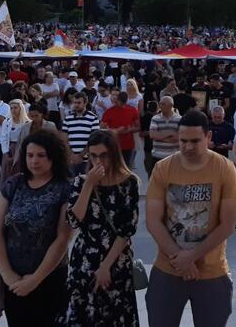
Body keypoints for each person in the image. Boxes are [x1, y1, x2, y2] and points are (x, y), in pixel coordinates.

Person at [146, 109, 236, 327]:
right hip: (168, 269)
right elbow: (153, 221)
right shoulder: (163, 168)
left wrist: (191, 256)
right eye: (183, 141)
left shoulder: (225, 169)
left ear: (208, 137)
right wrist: (180, 258)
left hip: (212, 273)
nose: (188, 147)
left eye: (195, 141)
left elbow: (228, 225)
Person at [0, 129, 72, 326]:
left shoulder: (65, 188)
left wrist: (35, 279)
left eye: (41, 155)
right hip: (14, 280)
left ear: (53, 156)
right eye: (30, 155)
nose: (34, 161)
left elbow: (63, 238)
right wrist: (8, 275)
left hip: (50, 278)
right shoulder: (13, 184)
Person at [66, 130, 141, 326]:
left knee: (116, 316)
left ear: (114, 154)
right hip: (84, 259)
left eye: (103, 155)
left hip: (116, 260)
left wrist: (105, 267)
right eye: (93, 156)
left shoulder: (128, 183)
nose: (98, 161)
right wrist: (89, 185)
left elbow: (127, 229)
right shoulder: (81, 182)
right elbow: (73, 221)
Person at [62, 92, 100, 173]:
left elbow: (94, 140)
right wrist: (72, 155)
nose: (76, 105)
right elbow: (64, 140)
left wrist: (80, 155)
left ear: (85, 103)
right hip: (71, 160)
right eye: (75, 102)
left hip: (87, 160)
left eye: (79, 103)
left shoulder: (93, 118)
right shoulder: (67, 119)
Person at [101, 91, 141, 169]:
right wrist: (116, 130)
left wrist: (129, 129)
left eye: (124, 102)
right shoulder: (109, 111)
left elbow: (138, 127)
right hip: (113, 145)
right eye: (120, 102)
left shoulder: (132, 110)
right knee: (114, 169)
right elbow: (102, 129)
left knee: (127, 169)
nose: (122, 104)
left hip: (128, 146)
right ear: (118, 99)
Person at [147, 96, 181, 176]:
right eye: (160, 104)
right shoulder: (155, 118)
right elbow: (152, 135)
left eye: (163, 104)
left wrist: (160, 136)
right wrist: (170, 133)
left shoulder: (180, 119)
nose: (160, 106)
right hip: (157, 158)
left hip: (173, 159)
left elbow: (179, 137)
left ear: (171, 105)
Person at [4, 100, 30, 181]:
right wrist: (5, 152)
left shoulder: (27, 122)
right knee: (8, 172)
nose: (13, 110)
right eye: (11, 108)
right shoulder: (7, 121)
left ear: (21, 108)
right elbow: (3, 137)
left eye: (15, 108)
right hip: (9, 149)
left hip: (21, 149)